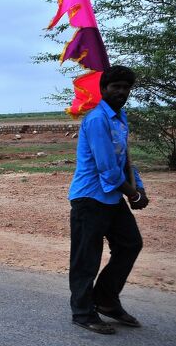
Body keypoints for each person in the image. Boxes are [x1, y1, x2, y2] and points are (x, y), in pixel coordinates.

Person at [69, 66, 149, 335]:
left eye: (126, 88)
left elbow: (124, 160)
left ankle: (105, 299)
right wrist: (133, 193)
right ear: (103, 89)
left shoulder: (120, 117)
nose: (122, 92)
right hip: (90, 198)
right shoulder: (96, 120)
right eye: (116, 87)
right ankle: (82, 312)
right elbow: (106, 168)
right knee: (86, 258)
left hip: (112, 196)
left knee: (130, 244)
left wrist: (139, 186)